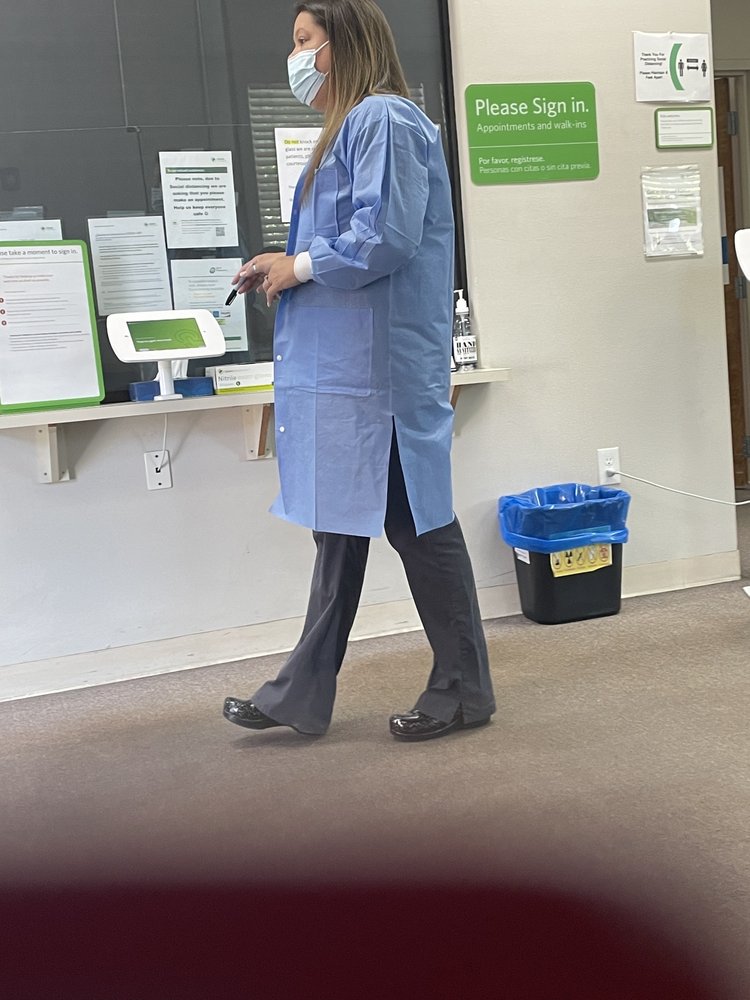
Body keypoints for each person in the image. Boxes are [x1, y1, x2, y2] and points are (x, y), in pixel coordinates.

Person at [223, 0, 495, 741]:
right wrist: (284, 264)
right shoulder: (345, 128)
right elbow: (340, 242)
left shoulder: (385, 119)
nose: (296, 58)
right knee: (339, 532)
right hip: (348, 376)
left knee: (417, 525)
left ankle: (465, 691)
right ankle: (299, 693)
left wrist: (301, 266)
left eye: (304, 41)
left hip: (383, 378)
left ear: (342, 45)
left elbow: (387, 237)